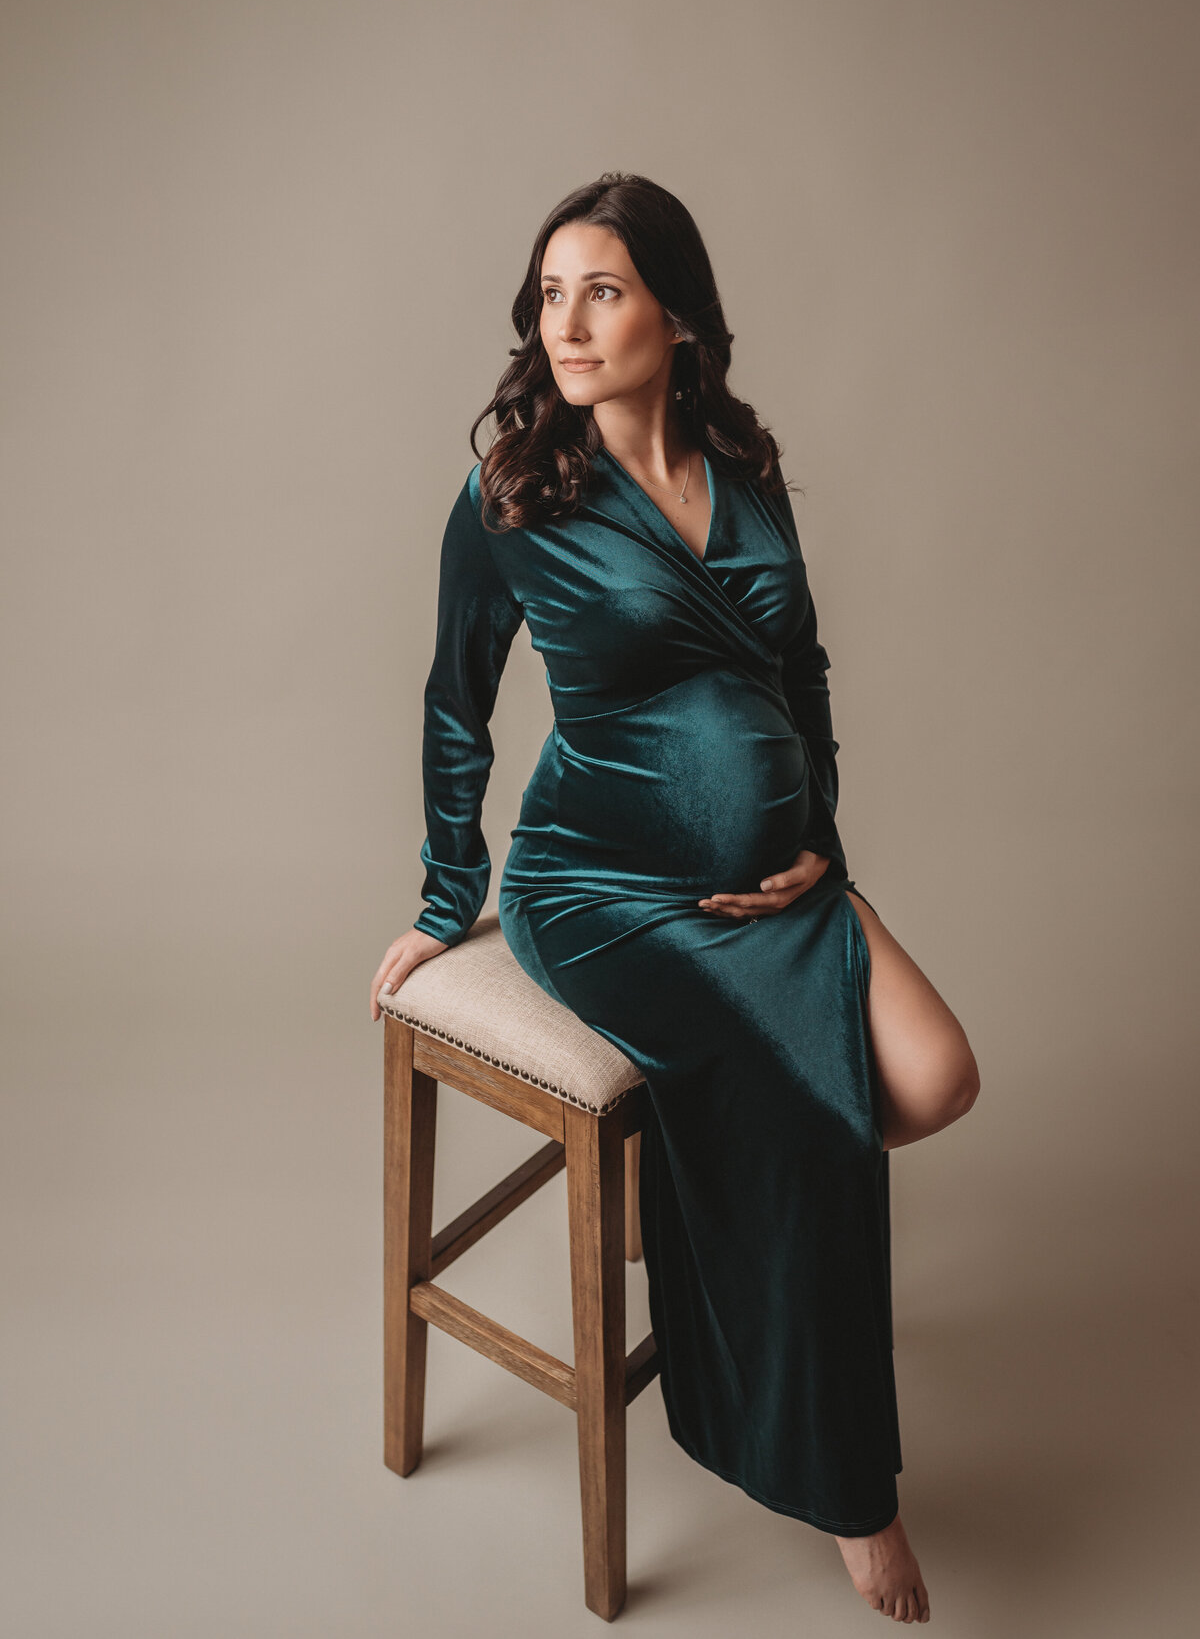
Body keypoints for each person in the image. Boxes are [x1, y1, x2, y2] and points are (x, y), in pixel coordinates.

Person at [370, 172, 980, 1625]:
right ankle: (856, 1495)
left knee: (936, 1078)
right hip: (601, 887)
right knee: (818, 1117)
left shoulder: (742, 468)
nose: (563, 320)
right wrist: (448, 891)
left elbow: (801, 671)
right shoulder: (516, 495)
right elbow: (459, 704)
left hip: (775, 888)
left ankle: (724, 1229)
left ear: (677, 318)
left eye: (603, 289)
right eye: (550, 292)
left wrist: (818, 834)